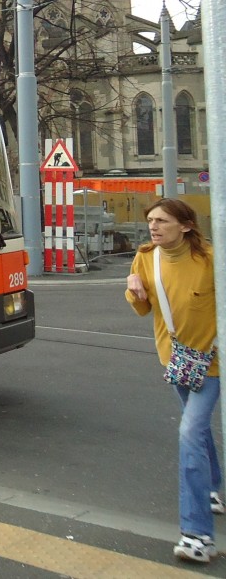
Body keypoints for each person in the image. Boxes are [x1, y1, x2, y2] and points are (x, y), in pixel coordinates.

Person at [126, 198, 222, 564]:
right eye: (150, 220)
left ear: (185, 225)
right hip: (178, 361)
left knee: (189, 433)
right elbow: (142, 307)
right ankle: (213, 488)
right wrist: (135, 291)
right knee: (194, 431)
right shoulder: (145, 258)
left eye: (162, 220)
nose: (153, 226)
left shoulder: (211, 257)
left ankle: (198, 536)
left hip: (213, 362)